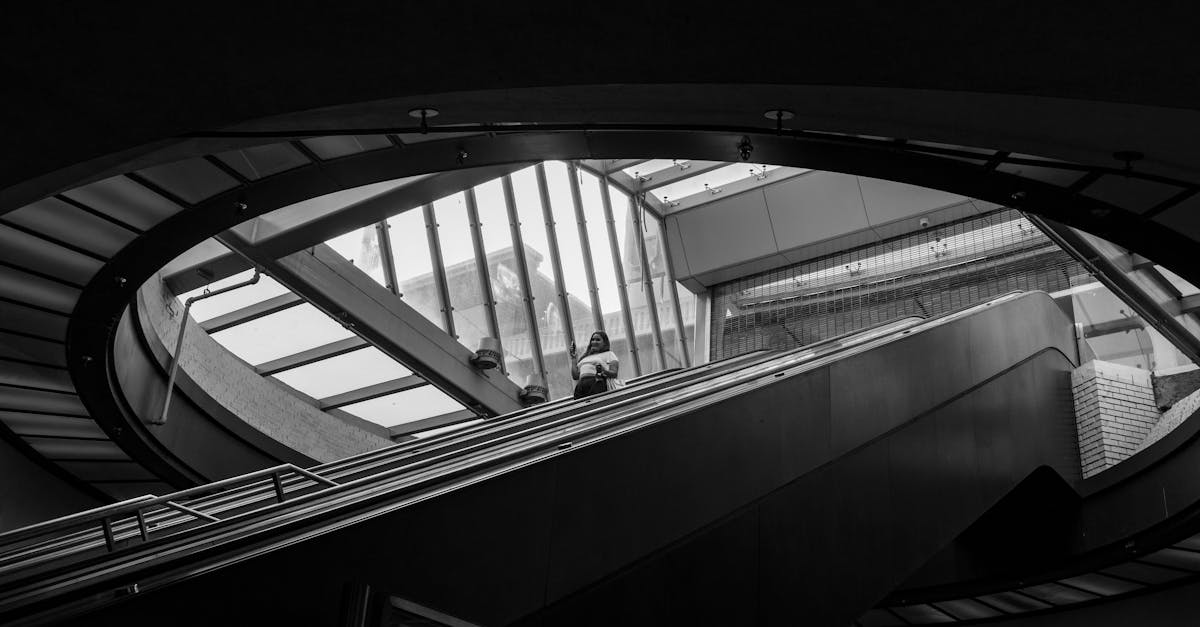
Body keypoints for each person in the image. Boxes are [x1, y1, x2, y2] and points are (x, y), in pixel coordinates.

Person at [569, 331, 620, 399]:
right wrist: (573, 359)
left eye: (598, 340)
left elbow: (614, 373)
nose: (594, 342)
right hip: (581, 385)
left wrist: (603, 371)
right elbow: (575, 376)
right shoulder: (585, 357)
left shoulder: (609, 354)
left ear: (604, 343)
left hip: (597, 383)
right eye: (592, 340)